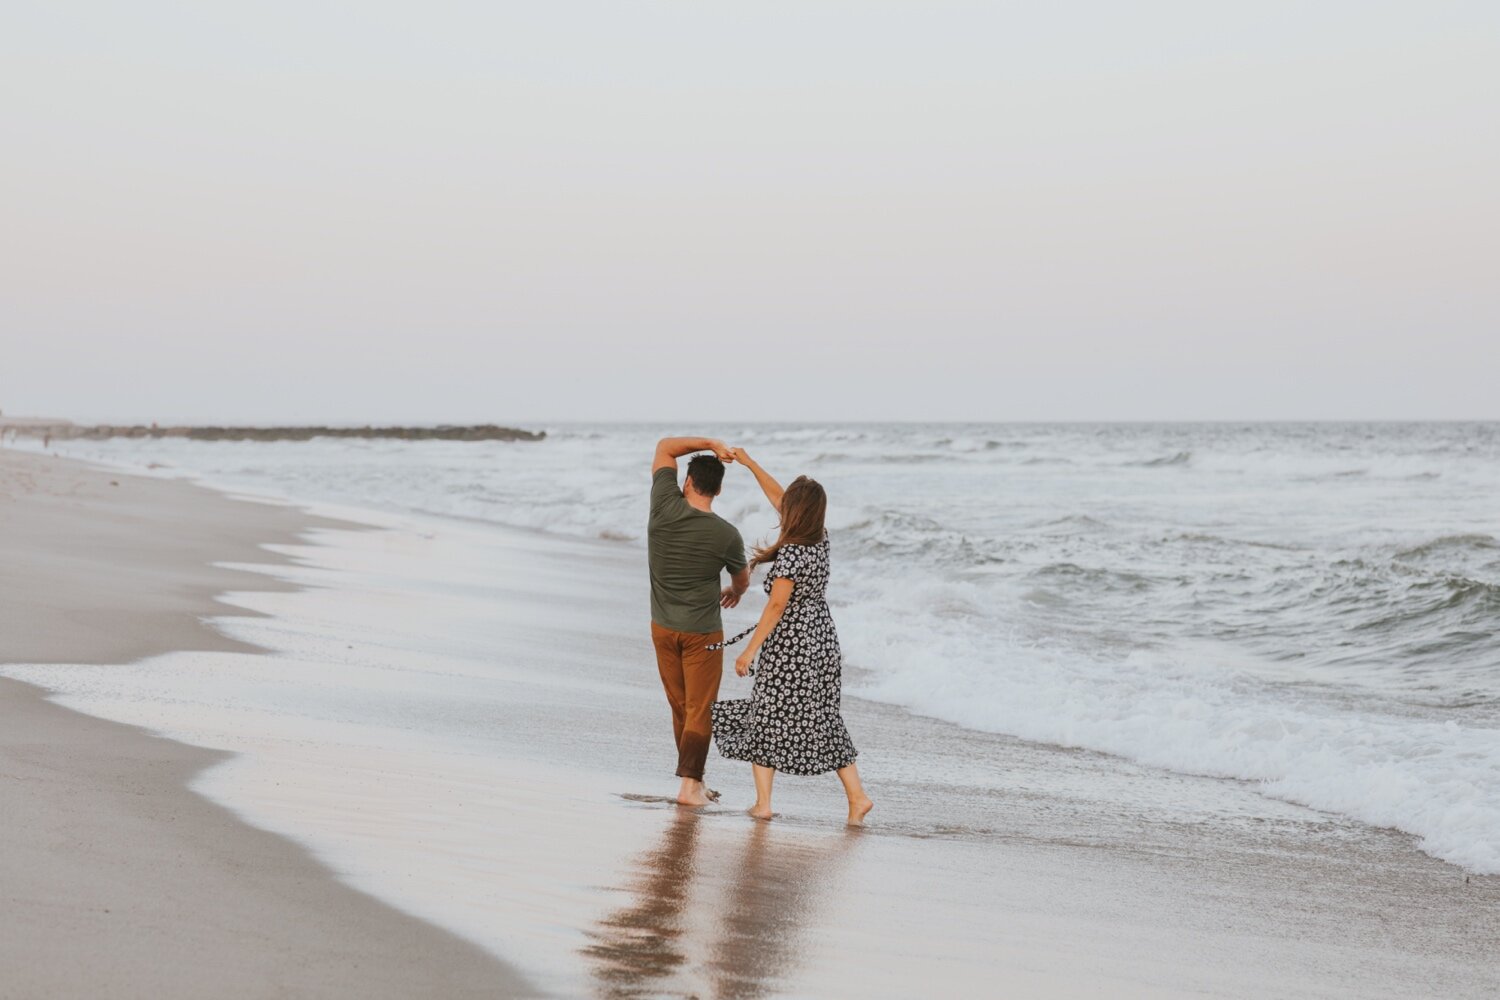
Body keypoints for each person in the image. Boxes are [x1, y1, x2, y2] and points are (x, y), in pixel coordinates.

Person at [711, 448, 873, 826]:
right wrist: (750, 464)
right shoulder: (820, 539)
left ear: (795, 513)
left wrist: (748, 652)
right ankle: (857, 797)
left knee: (766, 714)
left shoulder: (792, 554)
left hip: (791, 645)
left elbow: (776, 607)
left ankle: (764, 803)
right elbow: (779, 497)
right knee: (821, 716)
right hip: (820, 638)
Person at [648, 436, 751, 806]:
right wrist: (736, 592)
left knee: (681, 706)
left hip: (662, 627)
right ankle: (690, 786)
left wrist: (709, 443)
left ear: (687, 482)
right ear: (719, 490)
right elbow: (741, 580)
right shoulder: (726, 534)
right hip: (702, 633)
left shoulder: (663, 507)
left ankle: (693, 780)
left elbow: (665, 447)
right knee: (699, 707)